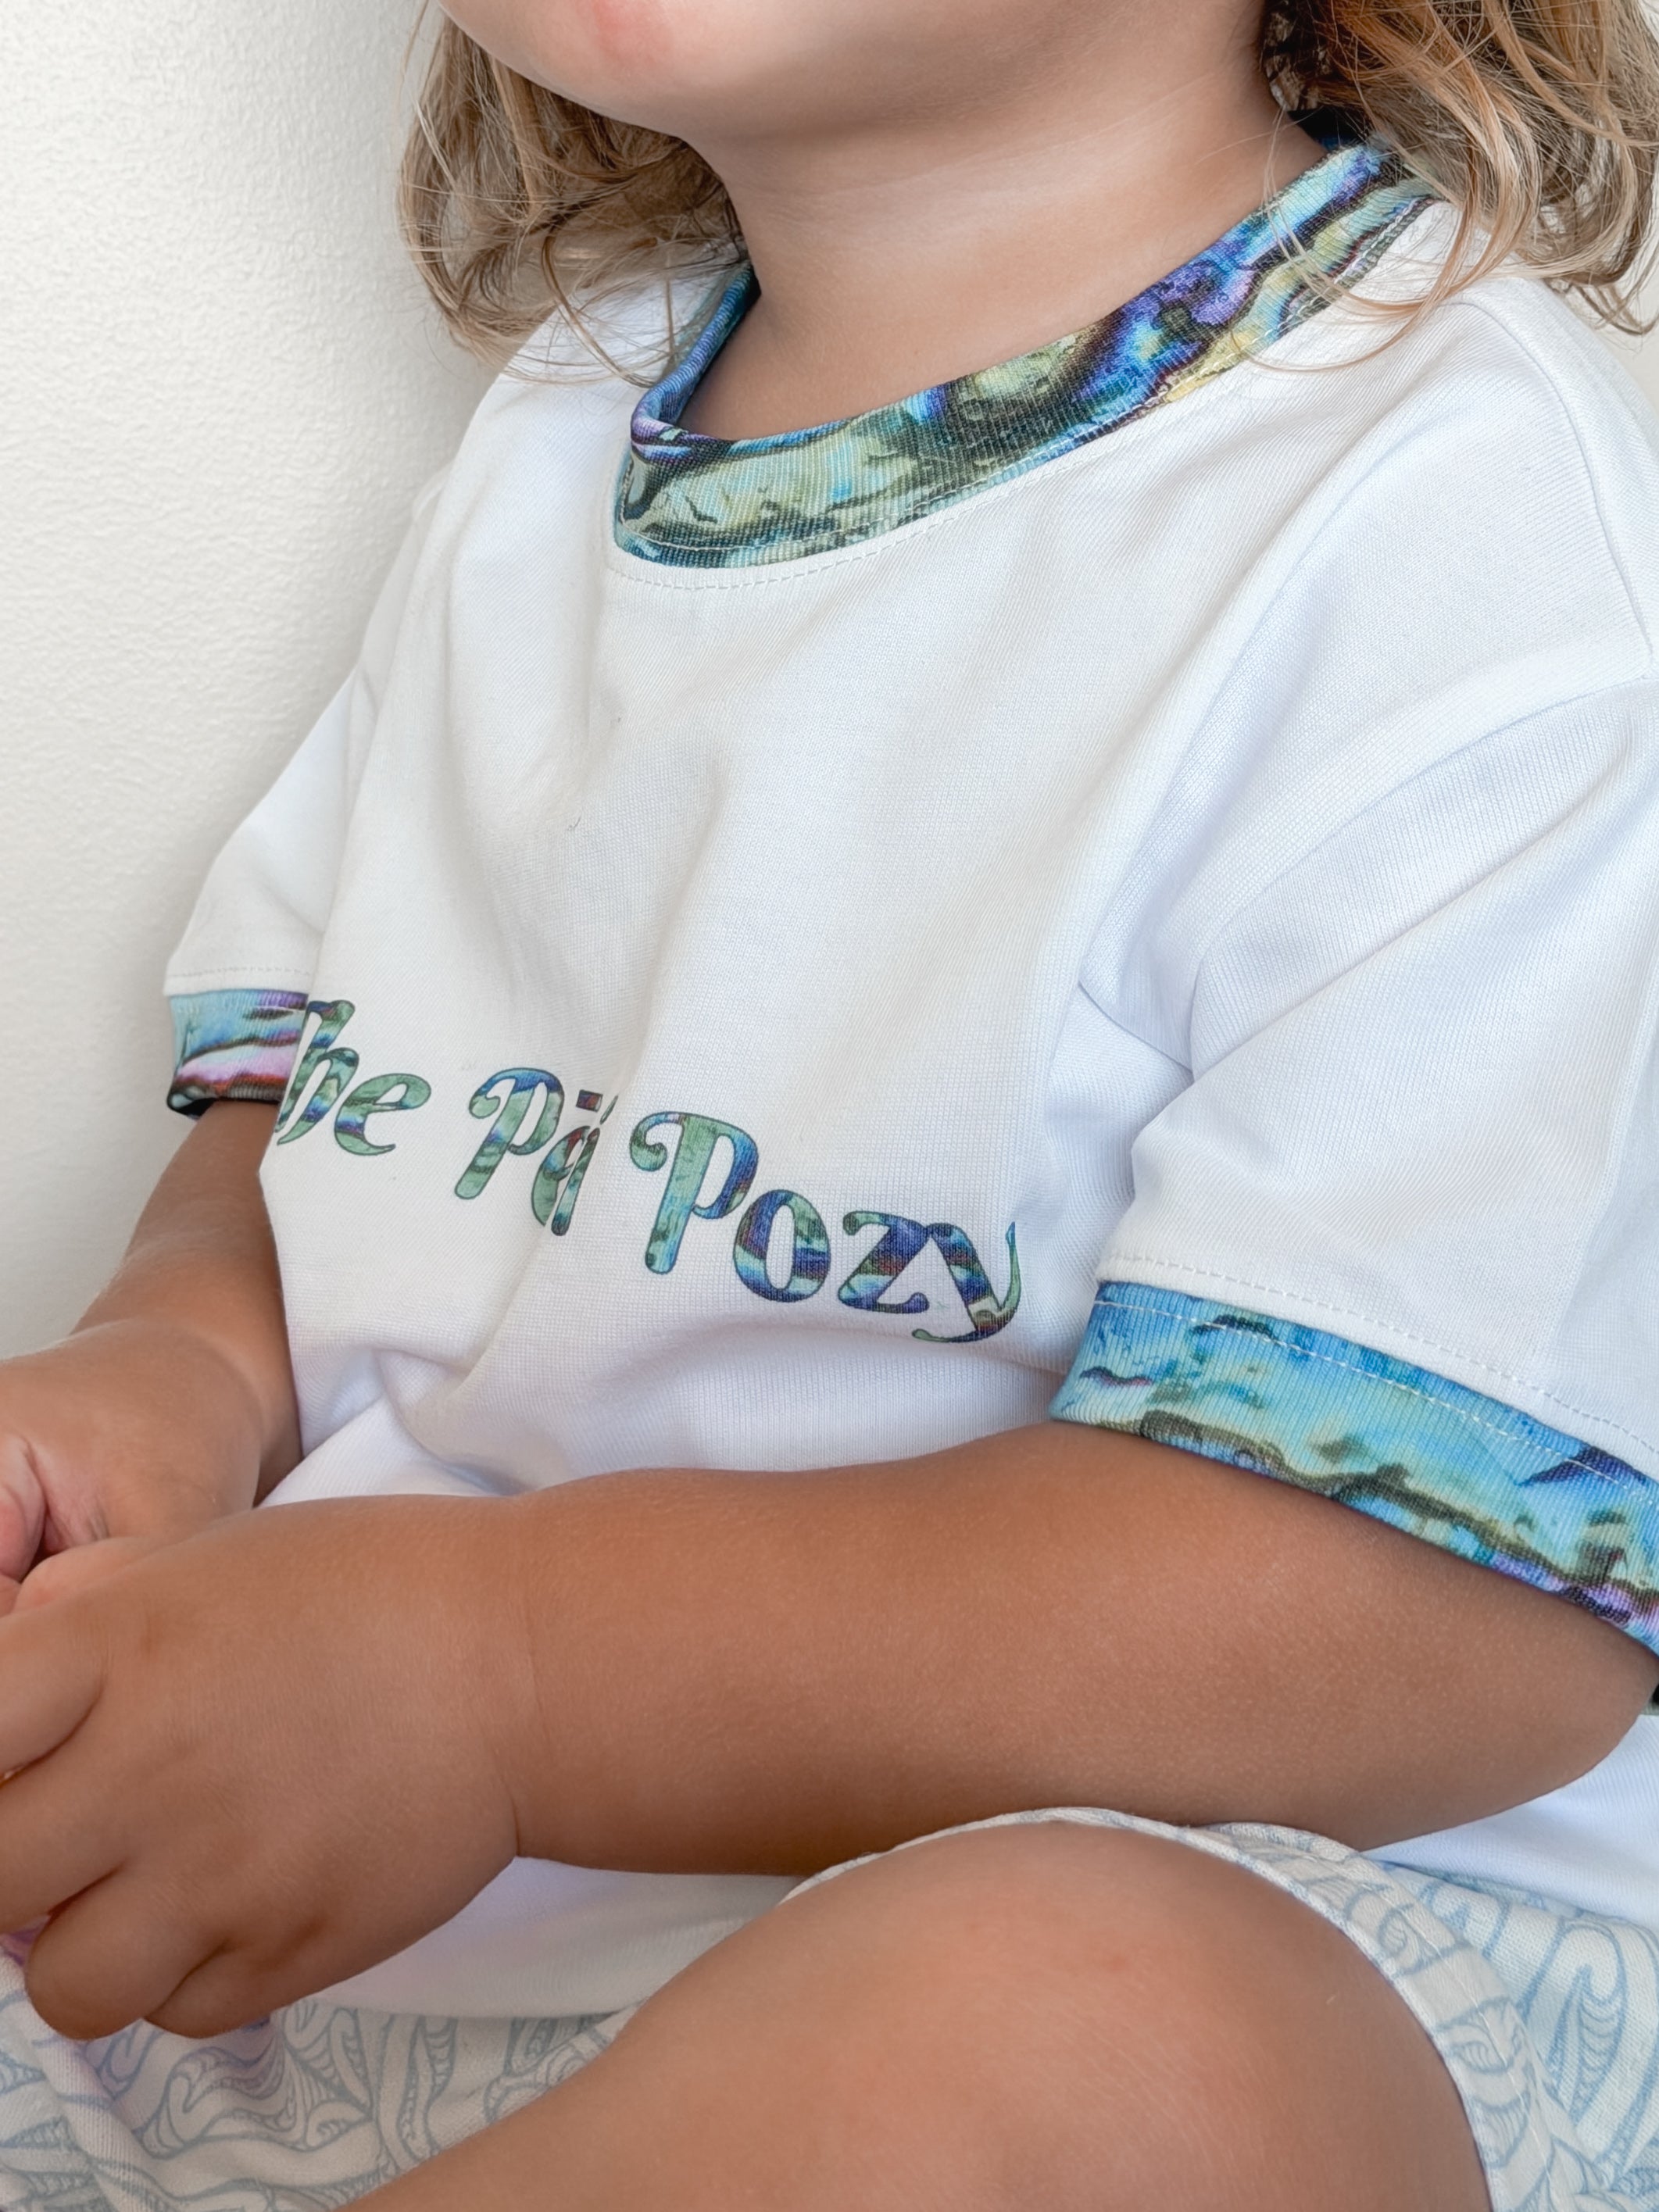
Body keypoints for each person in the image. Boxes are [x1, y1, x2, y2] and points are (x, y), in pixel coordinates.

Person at [5, 0, 1659, 2203]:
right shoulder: (564, 419)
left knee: (1084, 2031)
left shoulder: (1465, 517)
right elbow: (315, 1113)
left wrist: (499, 1678)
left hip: (1271, 1927)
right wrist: (172, 1377)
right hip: (327, 1936)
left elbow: (1427, 1627)